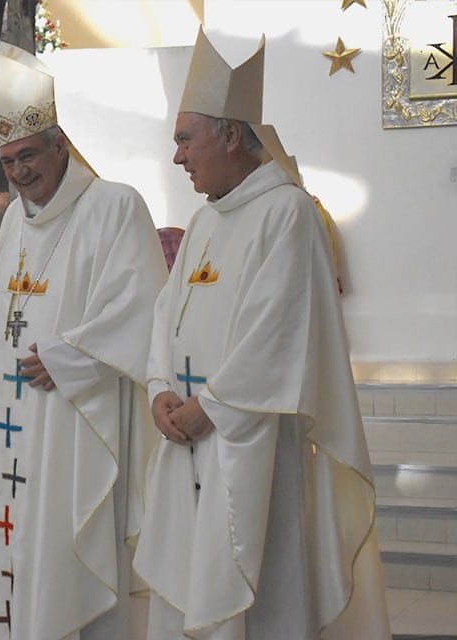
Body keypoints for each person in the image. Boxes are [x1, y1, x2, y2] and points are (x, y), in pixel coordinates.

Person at [132, 29, 391, 639]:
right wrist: (159, 388)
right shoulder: (202, 221)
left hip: (250, 450)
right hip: (186, 438)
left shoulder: (288, 213)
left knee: (255, 598)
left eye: (184, 139)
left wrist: (210, 408)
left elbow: (280, 333)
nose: (177, 156)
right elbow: (163, 315)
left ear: (228, 133)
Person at [0, 44, 168, 639]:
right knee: (6, 547)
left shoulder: (116, 206)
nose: (19, 172)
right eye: (8, 160)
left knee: (63, 550)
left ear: (61, 144)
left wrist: (68, 358)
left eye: (30, 155)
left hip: (73, 419)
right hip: (7, 420)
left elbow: (144, 310)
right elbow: (9, 310)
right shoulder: (13, 219)